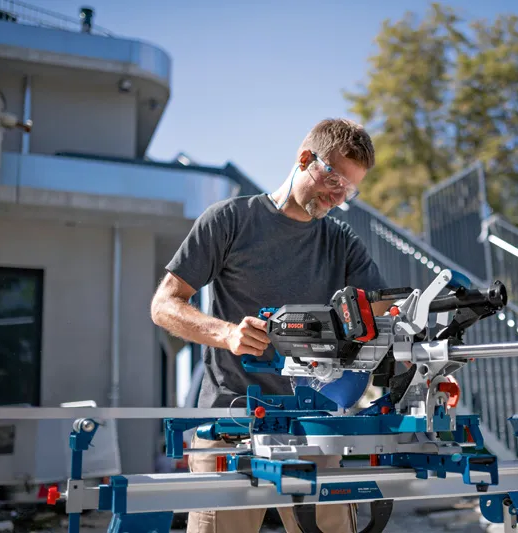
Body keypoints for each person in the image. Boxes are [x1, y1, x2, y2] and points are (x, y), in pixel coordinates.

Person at [150, 118, 393, 533]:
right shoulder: (229, 220)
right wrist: (226, 334)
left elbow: (383, 313)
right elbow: (164, 305)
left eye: (348, 190)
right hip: (230, 424)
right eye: (333, 179)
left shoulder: (341, 242)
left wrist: (425, 335)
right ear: (304, 159)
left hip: (314, 425)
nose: (337, 196)